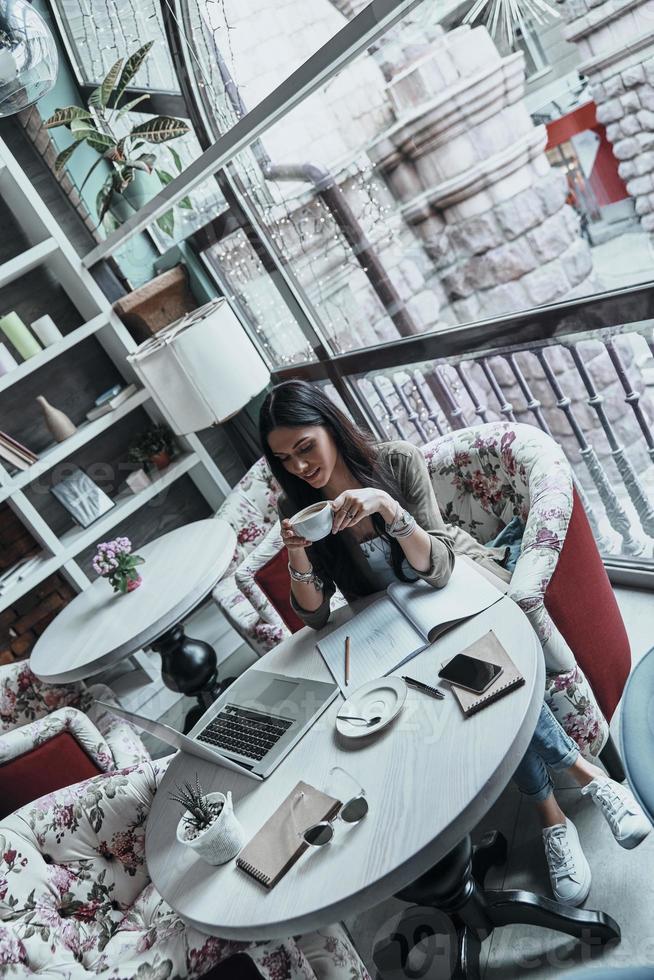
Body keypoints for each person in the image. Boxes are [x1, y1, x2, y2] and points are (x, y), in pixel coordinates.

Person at [259, 379, 651, 907]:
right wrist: (299, 556)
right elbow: (313, 617)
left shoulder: (394, 464)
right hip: (394, 627)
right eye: (285, 459)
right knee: (447, 674)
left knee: (473, 667)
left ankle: (552, 811)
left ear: (329, 426)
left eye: (305, 447)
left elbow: (438, 569)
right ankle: (585, 775)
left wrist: (388, 511)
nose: (301, 467)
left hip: (458, 587)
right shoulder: (302, 506)